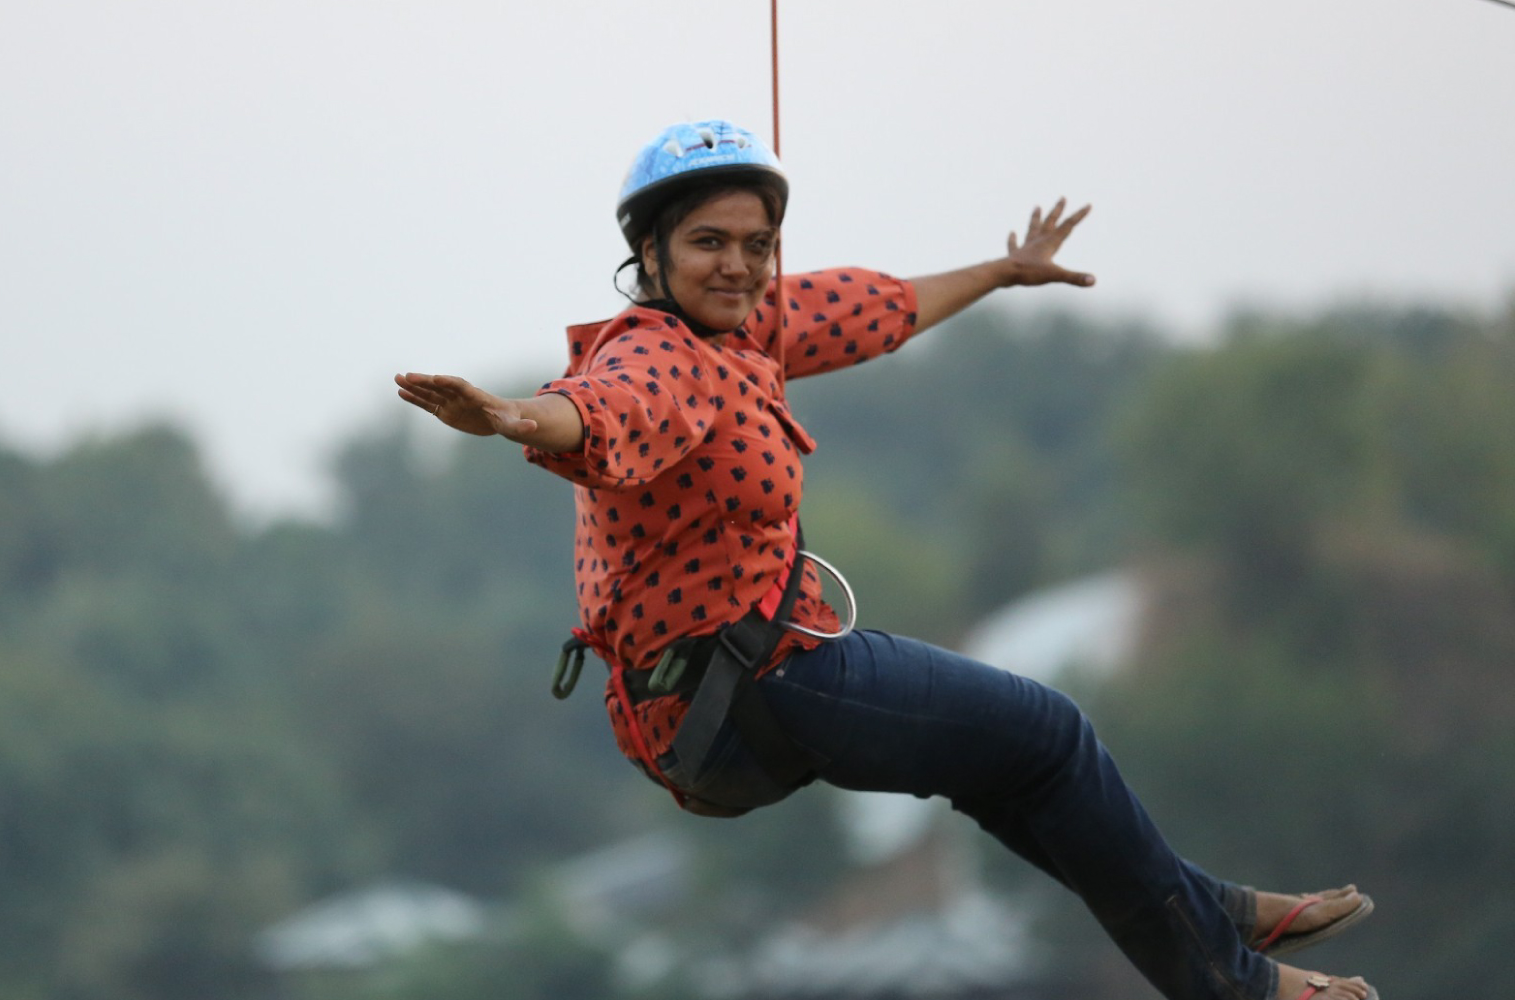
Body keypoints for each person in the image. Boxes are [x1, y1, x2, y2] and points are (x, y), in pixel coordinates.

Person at [394, 120, 1376, 1000]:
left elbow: (873, 308)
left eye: (758, 245)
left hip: (732, 698)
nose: (738, 266)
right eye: (707, 243)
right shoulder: (658, 354)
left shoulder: (750, 327)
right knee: (1051, 728)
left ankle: (1209, 910)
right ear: (648, 253)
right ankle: (1235, 982)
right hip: (746, 689)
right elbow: (601, 411)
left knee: (1016, 772)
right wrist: (506, 415)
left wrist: (1000, 272)